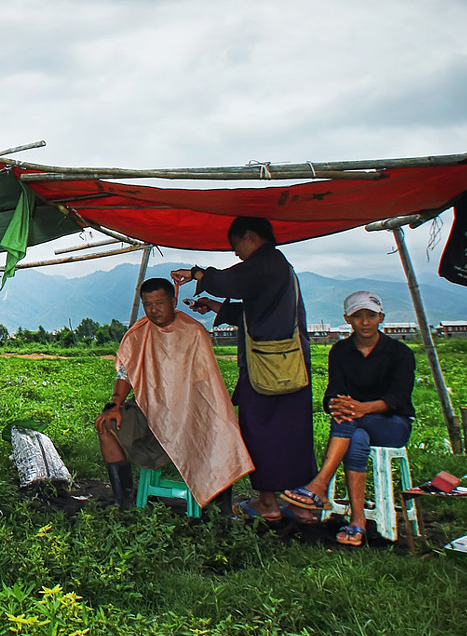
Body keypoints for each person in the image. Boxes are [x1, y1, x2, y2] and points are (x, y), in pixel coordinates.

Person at [173, 216, 316, 522]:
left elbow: (231, 282)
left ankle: (269, 502)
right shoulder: (276, 267)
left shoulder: (265, 262)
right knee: (292, 433)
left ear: (249, 236)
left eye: (235, 246)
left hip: (268, 366)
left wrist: (198, 274)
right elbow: (255, 313)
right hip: (288, 364)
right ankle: (300, 503)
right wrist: (212, 304)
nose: (236, 253)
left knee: (259, 432)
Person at [96, 278, 254, 510]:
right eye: (147, 304)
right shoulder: (138, 334)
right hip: (149, 411)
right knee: (105, 425)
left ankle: (223, 510)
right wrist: (115, 404)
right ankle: (123, 501)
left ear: (173, 301)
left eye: (159, 302)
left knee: (222, 430)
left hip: (190, 411)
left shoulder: (193, 332)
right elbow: (124, 374)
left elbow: (207, 385)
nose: (153, 309)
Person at [279, 292, 415, 546]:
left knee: (349, 420)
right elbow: (333, 393)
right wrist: (338, 405)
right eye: (357, 316)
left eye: (370, 316)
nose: (365, 322)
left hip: (393, 425)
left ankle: (319, 484)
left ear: (380, 318)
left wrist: (362, 408)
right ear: (347, 319)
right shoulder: (340, 351)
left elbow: (398, 398)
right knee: (356, 436)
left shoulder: (399, 352)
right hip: (354, 423)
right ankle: (358, 520)